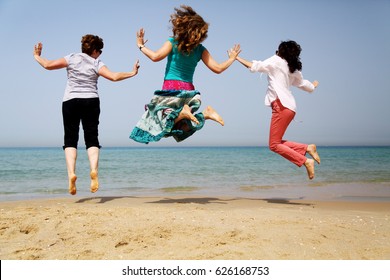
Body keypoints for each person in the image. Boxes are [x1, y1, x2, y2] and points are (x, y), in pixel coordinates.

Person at [33, 34, 140, 195]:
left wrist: (36, 56)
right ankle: (93, 171)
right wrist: (132, 73)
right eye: (100, 51)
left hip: (70, 101)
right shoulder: (97, 63)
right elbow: (114, 77)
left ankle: (71, 174)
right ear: (95, 51)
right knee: (92, 138)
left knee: (70, 138)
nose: (100, 54)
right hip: (91, 101)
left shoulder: (71, 58)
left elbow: (47, 65)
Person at [130, 5, 241, 144]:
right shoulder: (200, 49)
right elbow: (218, 68)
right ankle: (206, 114)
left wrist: (140, 45)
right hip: (189, 92)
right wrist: (231, 58)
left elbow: (155, 56)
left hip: (171, 90)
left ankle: (184, 113)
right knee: (180, 127)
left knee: (161, 126)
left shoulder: (172, 42)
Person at [236, 40, 320, 179]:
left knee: (274, 144)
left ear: (281, 51)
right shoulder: (291, 68)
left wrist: (236, 58)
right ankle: (307, 148)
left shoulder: (276, 61)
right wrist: (314, 86)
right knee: (277, 142)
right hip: (290, 108)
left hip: (281, 106)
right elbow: (304, 85)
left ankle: (306, 160)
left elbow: (255, 66)